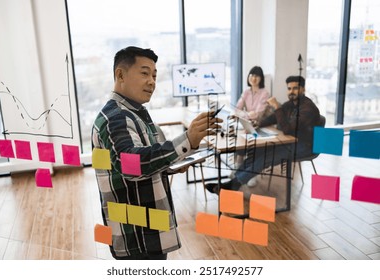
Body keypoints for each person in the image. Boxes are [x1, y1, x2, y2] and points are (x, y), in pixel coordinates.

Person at [91, 46, 220, 260]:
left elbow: (145, 157)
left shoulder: (135, 113)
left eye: (154, 75)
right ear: (120, 75)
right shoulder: (116, 118)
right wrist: (187, 140)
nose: (152, 81)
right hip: (137, 235)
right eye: (144, 73)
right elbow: (132, 166)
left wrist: (171, 165)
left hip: (146, 227)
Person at [206, 75, 321, 193]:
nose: (291, 92)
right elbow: (273, 118)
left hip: (305, 146)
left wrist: (277, 106)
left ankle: (233, 185)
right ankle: (234, 180)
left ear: (303, 89)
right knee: (257, 151)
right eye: (289, 88)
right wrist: (257, 125)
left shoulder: (308, 108)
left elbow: (287, 129)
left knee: (267, 156)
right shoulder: (290, 104)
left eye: (295, 88)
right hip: (289, 141)